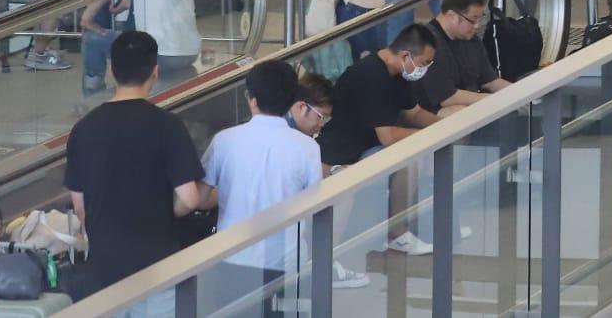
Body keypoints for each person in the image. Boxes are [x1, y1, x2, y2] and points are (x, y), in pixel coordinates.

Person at [66, 31, 206, 302]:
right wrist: (168, 210)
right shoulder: (169, 126)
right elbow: (189, 199)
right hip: (158, 267)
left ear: (111, 69)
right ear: (155, 72)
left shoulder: (84, 128)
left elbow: (80, 205)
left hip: (104, 269)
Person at [198, 61, 325, 315]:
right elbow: (314, 207)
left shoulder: (225, 141)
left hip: (231, 256)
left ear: (251, 99)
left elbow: (200, 199)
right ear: (291, 100)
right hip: (285, 260)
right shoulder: (307, 147)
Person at [316, 24, 442, 253]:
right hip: (340, 155)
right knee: (410, 156)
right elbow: (388, 136)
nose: (426, 69)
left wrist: (449, 126)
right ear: (406, 55)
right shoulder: (369, 75)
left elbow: (414, 113)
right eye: (425, 63)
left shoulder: (399, 74)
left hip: (365, 147)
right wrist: (433, 135)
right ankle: (397, 233)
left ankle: (402, 230)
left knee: (414, 155)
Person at [410, 0, 512, 115]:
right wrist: (494, 100)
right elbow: (446, 98)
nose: (477, 26)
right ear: (452, 15)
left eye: (480, 19)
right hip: (432, 110)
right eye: (473, 20)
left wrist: (519, 94)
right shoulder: (427, 44)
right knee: (461, 113)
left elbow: (490, 81)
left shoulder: (470, 37)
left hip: (468, 100)